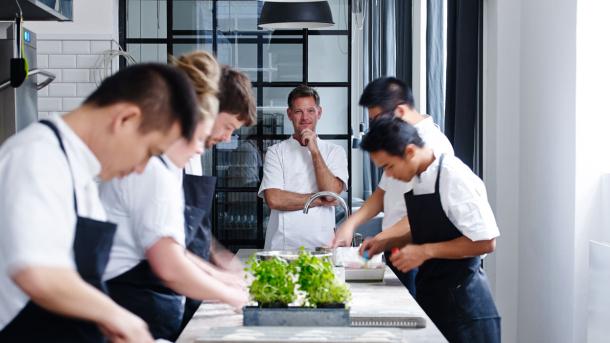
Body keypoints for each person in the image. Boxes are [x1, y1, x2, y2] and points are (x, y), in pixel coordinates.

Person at [0, 63, 201, 342]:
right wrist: (119, 317)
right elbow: (37, 273)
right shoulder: (35, 157)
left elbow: (79, 283)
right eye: (149, 152)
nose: (143, 168)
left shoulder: (80, 175)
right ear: (126, 119)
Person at [99, 53, 250, 341]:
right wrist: (230, 294)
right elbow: (169, 265)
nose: (202, 148)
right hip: (133, 309)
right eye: (202, 136)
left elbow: (175, 247)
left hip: (152, 310)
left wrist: (222, 277)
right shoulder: (151, 169)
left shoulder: (165, 168)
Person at [359, 116, 501, 343]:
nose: (389, 176)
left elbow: (485, 241)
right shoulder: (420, 179)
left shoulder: (454, 177)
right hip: (434, 298)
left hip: (464, 308)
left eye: (389, 166)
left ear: (410, 152)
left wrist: (425, 251)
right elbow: (428, 227)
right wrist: (384, 242)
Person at [332, 76, 454, 295]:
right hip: (395, 248)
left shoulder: (432, 147)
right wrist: (349, 225)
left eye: (378, 119)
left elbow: (426, 214)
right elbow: (382, 193)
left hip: (416, 255)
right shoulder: (399, 140)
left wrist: (378, 240)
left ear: (399, 111)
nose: (376, 127)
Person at [176, 61, 258, 332]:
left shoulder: (192, 156)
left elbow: (188, 224)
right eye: (228, 126)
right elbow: (164, 250)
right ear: (209, 109)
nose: (226, 138)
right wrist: (224, 287)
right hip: (157, 292)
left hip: (182, 291)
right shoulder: (163, 156)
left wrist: (218, 257)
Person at [259, 85, 349, 250]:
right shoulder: (275, 152)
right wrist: (319, 199)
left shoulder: (335, 152)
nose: (305, 117)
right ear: (290, 114)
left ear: (319, 113)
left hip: (322, 247)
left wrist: (314, 151)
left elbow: (330, 195)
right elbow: (274, 199)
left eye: (310, 111)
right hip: (281, 247)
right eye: (299, 111)